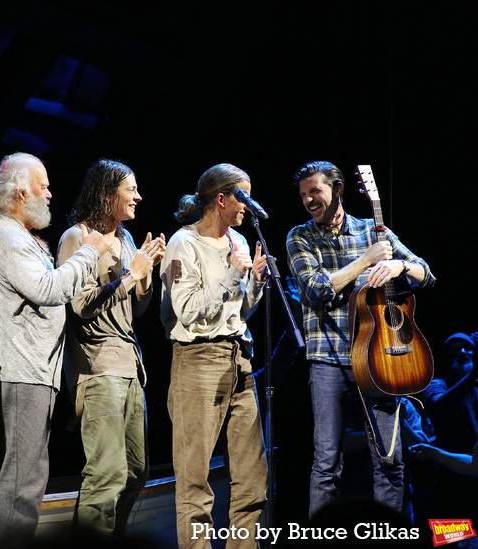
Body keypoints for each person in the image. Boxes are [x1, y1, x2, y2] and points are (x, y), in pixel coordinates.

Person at [0, 152, 110, 548]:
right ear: (20, 191)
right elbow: (49, 290)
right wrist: (89, 251)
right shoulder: (7, 235)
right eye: (42, 185)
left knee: (12, 476)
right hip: (19, 374)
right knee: (23, 481)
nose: (49, 193)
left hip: (24, 372)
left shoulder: (16, 235)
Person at [285, 160, 435, 518]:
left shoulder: (375, 230)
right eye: (304, 195)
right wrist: (364, 263)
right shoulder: (300, 236)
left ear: (337, 190)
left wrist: (399, 266)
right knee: (326, 464)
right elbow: (316, 289)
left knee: (389, 459)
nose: (309, 200)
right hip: (328, 360)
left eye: (315, 191)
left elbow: (426, 274)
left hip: (380, 359)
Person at [56, 159, 165, 545]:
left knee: (136, 471)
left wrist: (146, 274)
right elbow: (80, 305)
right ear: (107, 194)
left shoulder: (126, 238)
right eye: (129, 189)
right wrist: (130, 275)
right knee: (107, 474)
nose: (138, 196)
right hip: (97, 367)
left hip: (131, 367)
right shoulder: (77, 237)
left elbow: (137, 308)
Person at [160, 163, 268, 548]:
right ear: (220, 199)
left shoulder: (239, 242)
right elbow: (187, 310)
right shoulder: (183, 243)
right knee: (196, 480)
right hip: (198, 360)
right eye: (243, 197)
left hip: (240, 357)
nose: (248, 207)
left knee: (251, 478)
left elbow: (240, 310)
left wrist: (254, 282)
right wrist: (231, 276)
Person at [419, 331, 478, 520]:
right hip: (451, 477)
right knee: (452, 538)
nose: (462, 352)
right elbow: (439, 406)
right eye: (455, 350)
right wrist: (474, 373)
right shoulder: (437, 384)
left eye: (468, 348)